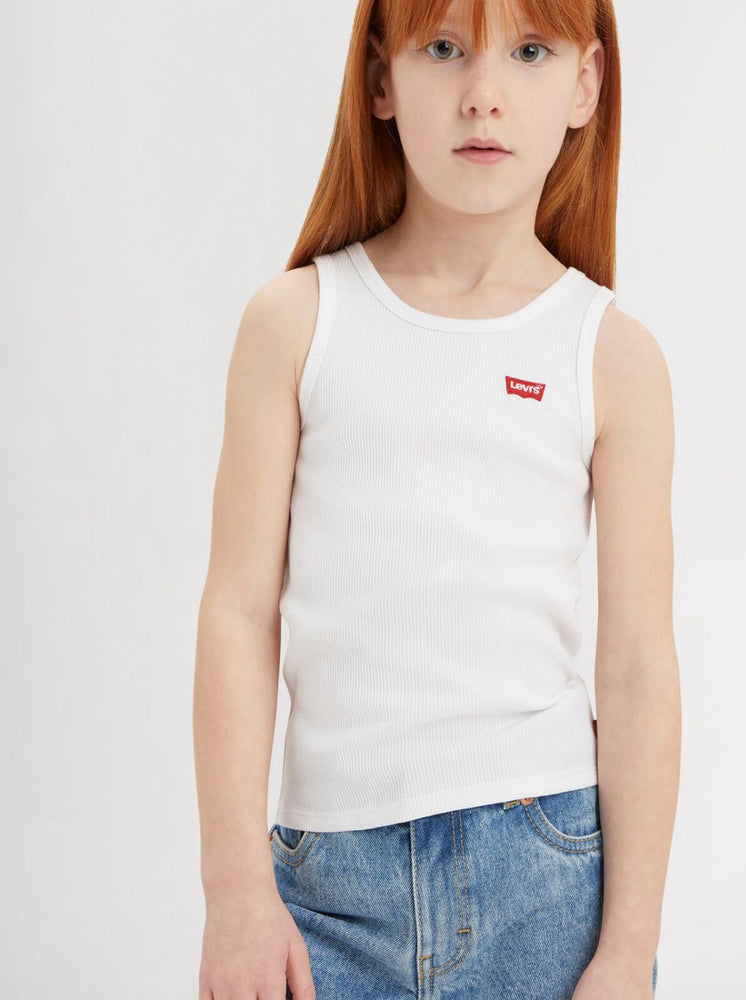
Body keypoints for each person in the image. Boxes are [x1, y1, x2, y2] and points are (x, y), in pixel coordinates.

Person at [193, 0, 680, 997]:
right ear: (381, 79)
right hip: (325, 897)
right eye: (445, 49)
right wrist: (236, 893)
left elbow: (637, 666)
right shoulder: (296, 323)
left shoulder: (610, 355)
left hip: (548, 884)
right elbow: (237, 615)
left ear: (586, 83)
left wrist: (628, 950)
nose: (483, 95)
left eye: (530, 51)